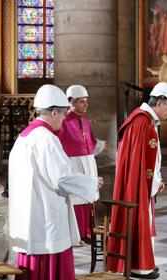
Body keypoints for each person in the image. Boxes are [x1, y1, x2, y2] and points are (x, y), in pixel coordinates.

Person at [8, 84, 103, 280]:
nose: (63, 119)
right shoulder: (46, 138)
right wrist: (91, 183)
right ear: (53, 113)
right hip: (46, 220)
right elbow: (61, 179)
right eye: (62, 114)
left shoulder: (24, 137)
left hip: (28, 220)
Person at [108, 82, 167, 279]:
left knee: (144, 221)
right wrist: (152, 182)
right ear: (161, 102)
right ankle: (140, 267)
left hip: (140, 182)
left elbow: (147, 159)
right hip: (137, 185)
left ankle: (141, 264)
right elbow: (141, 164)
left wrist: (158, 178)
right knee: (141, 220)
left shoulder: (144, 120)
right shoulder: (142, 122)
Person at [57, 85, 106, 244]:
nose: (86, 105)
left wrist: (98, 146)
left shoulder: (84, 120)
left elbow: (89, 140)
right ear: (71, 102)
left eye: (86, 101)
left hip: (87, 161)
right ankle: (78, 233)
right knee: (77, 198)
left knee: (88, 197)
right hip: (74, 163)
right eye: (81, 102)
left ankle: (88, 230)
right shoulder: (64, 120)